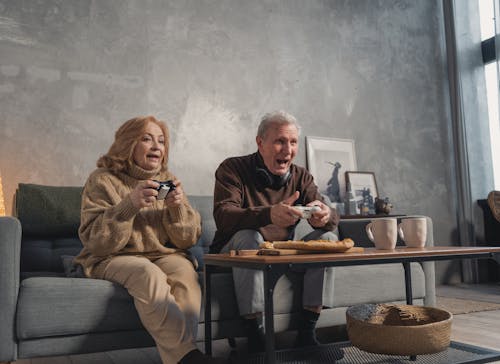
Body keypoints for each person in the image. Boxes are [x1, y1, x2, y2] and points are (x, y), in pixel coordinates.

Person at [74, 116, 226, 364]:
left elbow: (187, 240)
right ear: (128, 144)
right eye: (146, 139)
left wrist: (176, 208)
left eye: (162, 141)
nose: (157, 146)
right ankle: (187, 357)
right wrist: (129, 205)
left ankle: (182, 357)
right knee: (146, 272)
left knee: (185, 273)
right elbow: (96, 242)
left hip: (163, 255)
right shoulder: (102, 179)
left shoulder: (168, 178)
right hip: (112, 257)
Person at [210, 110, 340, 353]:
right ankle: (255, 338)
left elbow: (332, 219)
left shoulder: (301, 175)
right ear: (260, 142)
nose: (287, 150)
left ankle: (306, 333)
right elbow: (223, 216)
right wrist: (268, 214)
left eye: (292, 142)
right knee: (250, 236)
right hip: (232, 253)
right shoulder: (232, 168)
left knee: (328, 238)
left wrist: (324, 214)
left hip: (279, 253)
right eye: (280, 141)